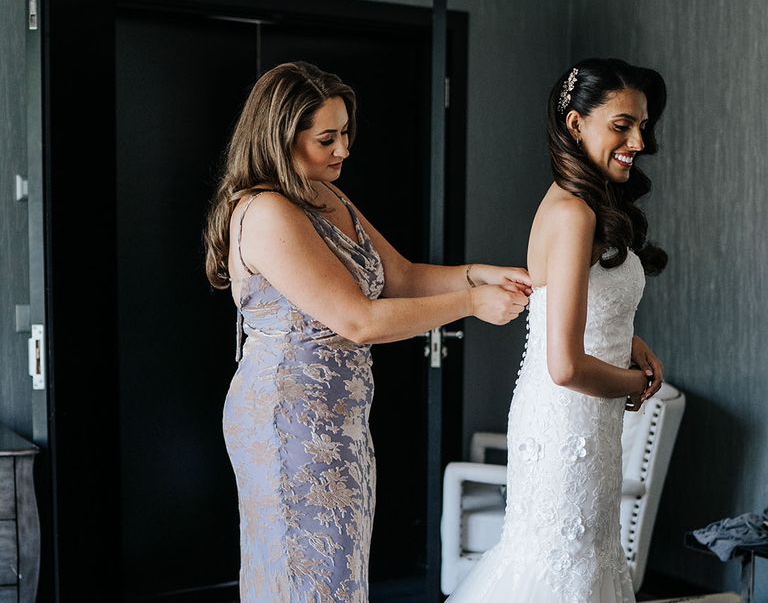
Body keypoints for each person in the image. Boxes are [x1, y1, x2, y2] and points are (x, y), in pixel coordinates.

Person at [203, 61, 532, 602]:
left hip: (339, 418)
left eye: (345, 133)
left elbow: (399, 276)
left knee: (338, 569)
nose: (344, 150)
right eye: (327, 137)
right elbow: (358, 320)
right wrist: (471, 303)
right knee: (306, 577)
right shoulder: (266, 211)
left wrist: (477, 272)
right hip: (290, 421)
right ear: (281, 137)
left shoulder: (325, 196)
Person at [446, 58, 667, 603]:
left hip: (582, 418)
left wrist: (625, 337)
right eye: (622, 125)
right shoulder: (574, 214)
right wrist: (635, 383)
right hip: (568, 420)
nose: (638, 140)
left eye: (643, 125)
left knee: (582, 558)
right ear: (575, 124)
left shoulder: (578, 203)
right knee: (562, 563)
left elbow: (574, 306)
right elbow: (564, 365)